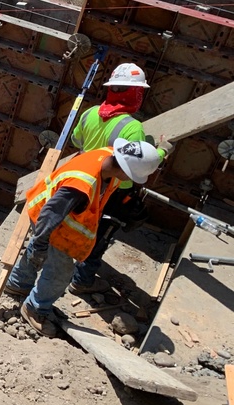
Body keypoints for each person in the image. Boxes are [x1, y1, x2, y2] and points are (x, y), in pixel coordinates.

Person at [6, 139, 163, 337]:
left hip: (50, 213)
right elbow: (51, 214)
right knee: (60, 273)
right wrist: (39, 242)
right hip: (51, 223)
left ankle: (18, 284)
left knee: (39, 257)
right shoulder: (83, 184)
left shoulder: (107, 156)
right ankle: (34, 309)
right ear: (124, 171)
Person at [67, 62, 169, 294]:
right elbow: (142, 165)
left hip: (85, 180)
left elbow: (76, 141)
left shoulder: (89, 113)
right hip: (114, 190)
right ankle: (81, 281)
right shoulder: (133, 128)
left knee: (80, 223)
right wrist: (162, 151)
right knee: (100, 234)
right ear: (136, 94)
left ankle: (67, 259)